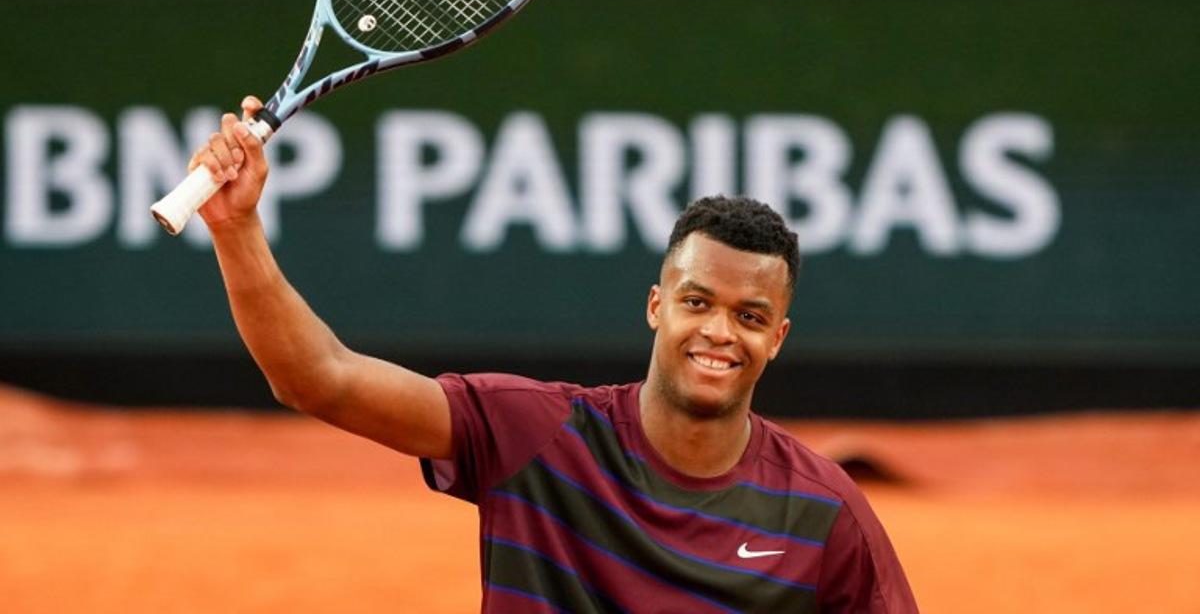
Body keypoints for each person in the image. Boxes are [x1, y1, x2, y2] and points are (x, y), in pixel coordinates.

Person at [193, 97, 919, 613]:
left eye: (750, 316)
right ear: (657, 306)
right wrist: (236, 227)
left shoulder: (823, 515)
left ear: (778, 338)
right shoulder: (535, 435)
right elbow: (320, 379)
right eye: (697, 302)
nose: (720, 333)